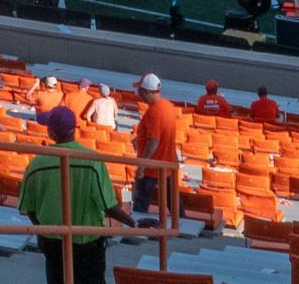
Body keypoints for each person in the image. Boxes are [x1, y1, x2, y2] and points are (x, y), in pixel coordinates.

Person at [18, 106, 143, 284]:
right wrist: (133, 223)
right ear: (74, 130)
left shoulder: (37, 163)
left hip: (53, 242)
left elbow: (29, 208)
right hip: (87, 243)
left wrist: (41, 231)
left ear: (51, 132)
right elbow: (108, 206)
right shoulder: (92, 160)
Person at [129, 73, 180, 218]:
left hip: (151, 169)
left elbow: (154, 141)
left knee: (140, 205)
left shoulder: (154, 112)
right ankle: (181, 226)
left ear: (145, 92)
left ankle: (138, 233)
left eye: (139, 90)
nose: (138, 93)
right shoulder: (168, 106)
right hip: (168, 165)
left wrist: (142, 166)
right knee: (174, 203)